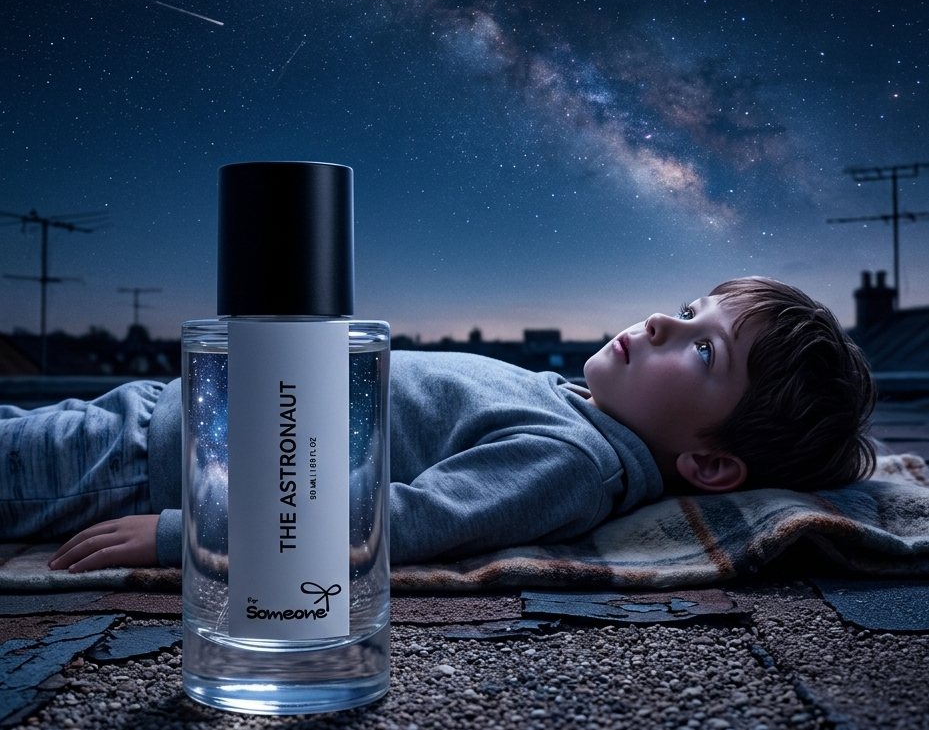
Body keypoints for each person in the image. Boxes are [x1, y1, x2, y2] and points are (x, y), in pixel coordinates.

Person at [0, 277, 876, 572]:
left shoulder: (572, 461)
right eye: (687, 309)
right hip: (168, 412)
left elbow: (401, 518)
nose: (659, 323)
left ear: (711, 465)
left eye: (701, 349)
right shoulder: (577, 407)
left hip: (149, 460)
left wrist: (184, 533)